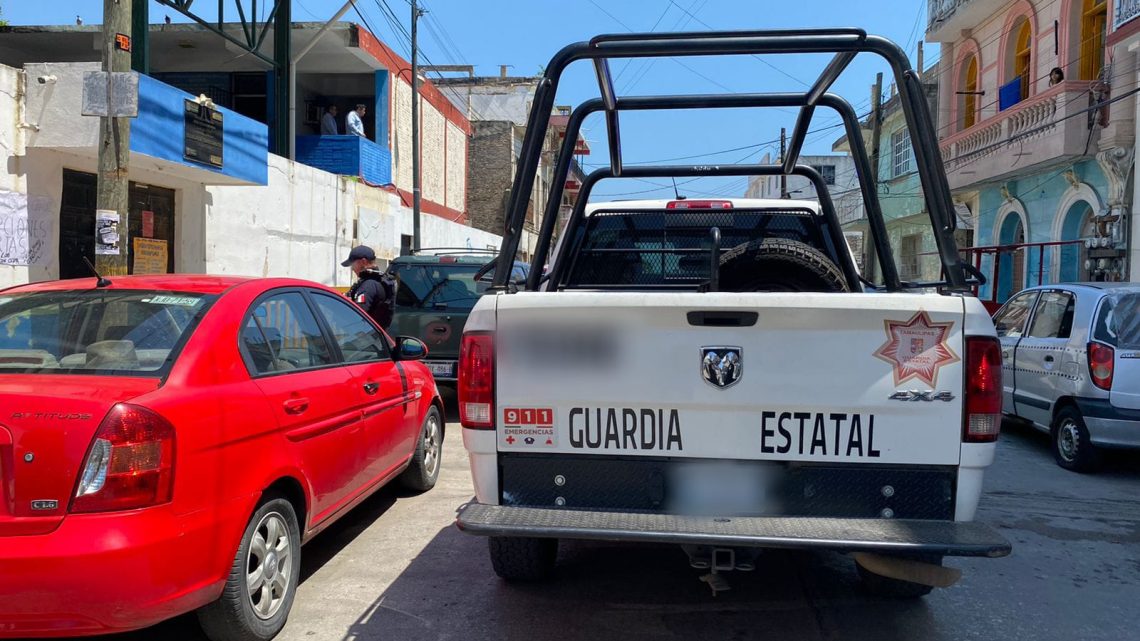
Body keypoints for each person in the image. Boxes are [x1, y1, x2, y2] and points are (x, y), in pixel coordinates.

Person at [342, 245, 396, 330]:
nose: (352, 269)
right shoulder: (378, 281)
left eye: (353, 265)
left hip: (366, 337)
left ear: (363, 262)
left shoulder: (369, 285)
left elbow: (356, 316)